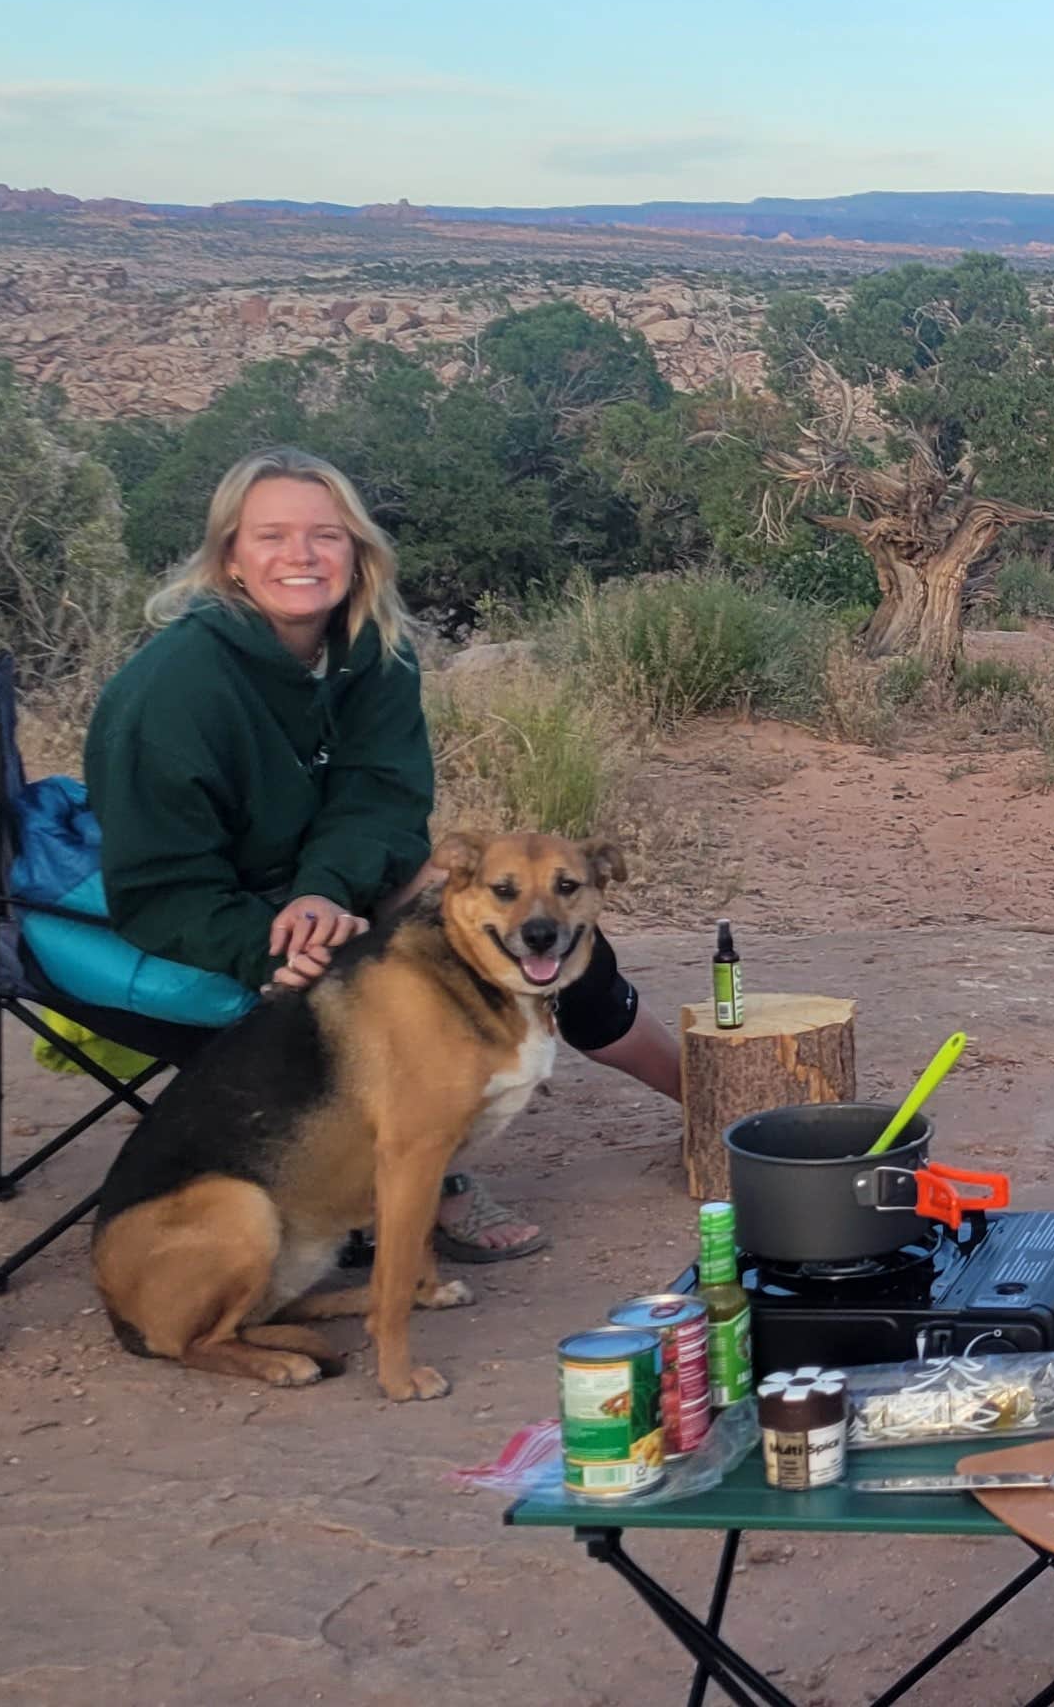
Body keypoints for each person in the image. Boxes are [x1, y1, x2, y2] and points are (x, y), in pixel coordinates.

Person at [83, 446, 682, 1261]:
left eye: (325, 536)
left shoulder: (375, 648)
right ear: (229, 556)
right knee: (402, 978)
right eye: (271, 536)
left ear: (357, 551)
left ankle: (701, 1097)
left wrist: (327, 892)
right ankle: (423, 1167)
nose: (300, 556)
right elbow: (159, 888)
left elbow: (385, 801)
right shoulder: (172, 690)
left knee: (519, 912)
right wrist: (264, 941)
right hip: (223, 911)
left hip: (330, 891)